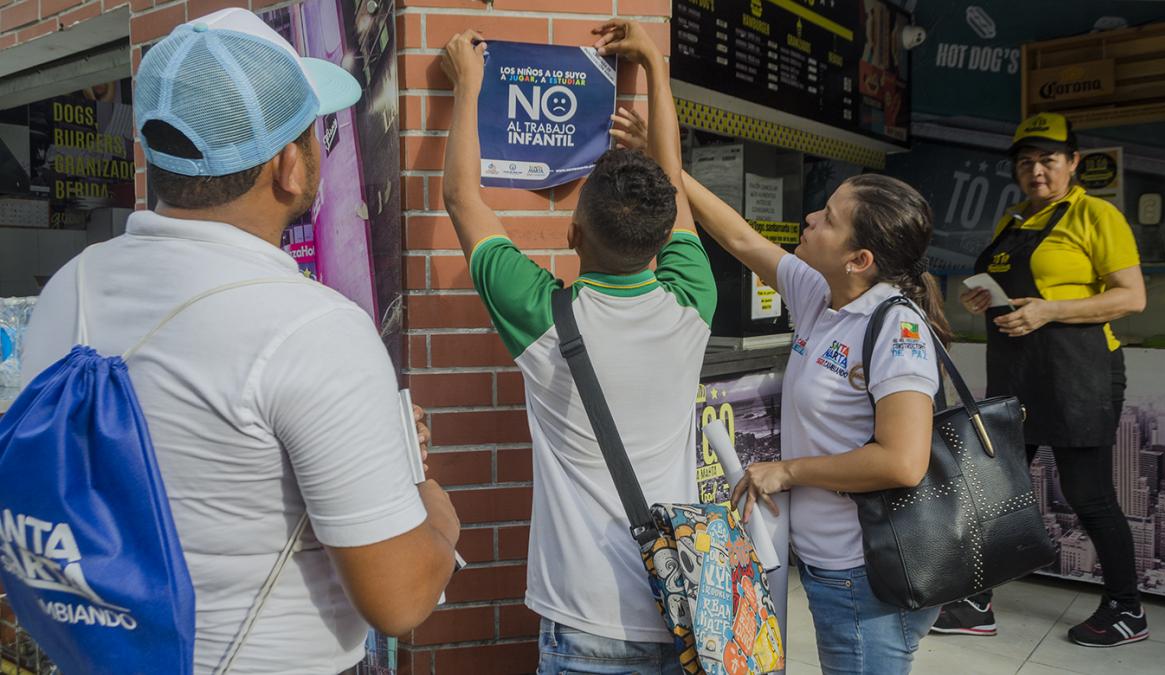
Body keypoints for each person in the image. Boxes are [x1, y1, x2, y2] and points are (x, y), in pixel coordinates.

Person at [20, 9, 459, 673]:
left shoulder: (68, 290)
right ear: (288, 166)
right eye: (314, 130)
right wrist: (431, 505)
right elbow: (398, 599)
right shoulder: (314, 328)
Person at [439, 20, 715, 675]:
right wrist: (653, 67)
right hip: (682, 612)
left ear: (572, 233)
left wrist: (467, 85)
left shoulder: (544, 315)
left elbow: (460, 197)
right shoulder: (692, 300)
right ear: (662, 238)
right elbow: (674, 193)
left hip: (583, 621)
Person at [684, 167, 950, 674]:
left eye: (827, 218)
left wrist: (788, 471)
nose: (809, 219)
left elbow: (903, 461)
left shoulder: (896, 328)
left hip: (866, 573)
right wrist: (666, 161)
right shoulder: (820, 296)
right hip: (834, 565)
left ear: (859, 259)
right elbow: (739, 235)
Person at [933, 113, 1148, 647]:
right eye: (1026, 162)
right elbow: (1010, 291)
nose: (1036, 171)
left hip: (1080, 375)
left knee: (1088, 494)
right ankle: (976, 603)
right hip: (1018, 374)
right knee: (993, 489)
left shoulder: (1096, 216)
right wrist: (978, 297)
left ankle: (1127, 610)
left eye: (1048, 160)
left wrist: (1049, 310)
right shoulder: (1015, 221)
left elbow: (1131, 297)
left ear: (1073, 162)